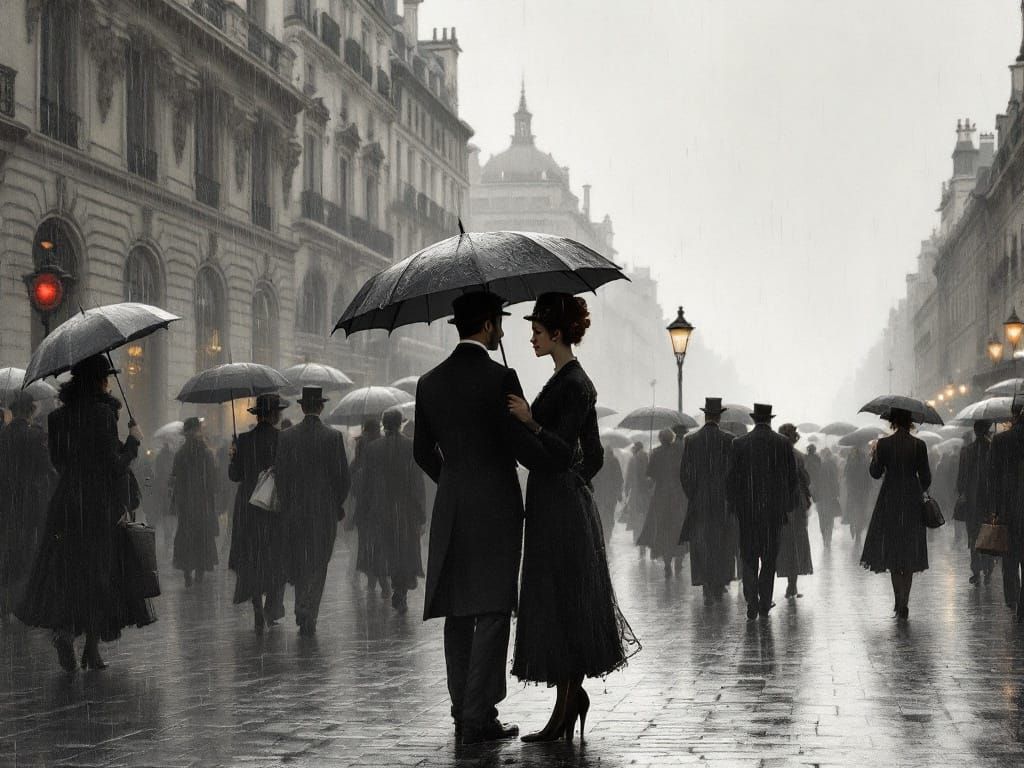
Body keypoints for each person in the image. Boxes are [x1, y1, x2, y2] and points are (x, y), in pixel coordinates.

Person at [507, 292, 639, 743]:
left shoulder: (572, 383)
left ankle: (564, 708)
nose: (531, 339)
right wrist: (574, 484)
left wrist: (530, 422)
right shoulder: (572, 379)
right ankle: (568, 701)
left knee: (559, 599)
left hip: (557, 509)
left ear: (557, 333)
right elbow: (595, 455)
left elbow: (563, 450)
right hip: (561, 503)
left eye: (538, 332)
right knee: (562, 598)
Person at [413, 291, 543, 746]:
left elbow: (421, 452)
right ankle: (477, 716)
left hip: (452, 507)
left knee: (458, 611)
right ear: (488, 325)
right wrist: (538, 432)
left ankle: (461, 710)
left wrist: (454, 478)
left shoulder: (428, 382)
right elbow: (522, 449)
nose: (504, 332)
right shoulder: (501, 376)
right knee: (492, 610)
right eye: (500, 324)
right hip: (496, 509)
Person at [17, 354, 154, 671]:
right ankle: (91, 649)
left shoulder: (57, 418)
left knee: (68, 572)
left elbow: (58, 462)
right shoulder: (103, 414)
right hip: (98, 507)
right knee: (99, 575)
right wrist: (132, 442)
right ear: (99, 381)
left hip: (66, 505)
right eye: (105, 378)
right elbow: (114, 466)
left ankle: (65, 631)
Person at [277, 387, 350, 636]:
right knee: (319, 562)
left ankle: (301, 604)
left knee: (300, 560)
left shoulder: (286, 438)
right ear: (320, 407)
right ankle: (309, 609)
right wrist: (336, 503)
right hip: (323, 512)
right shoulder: (333, 437)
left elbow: (281, 478)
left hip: (295, 511)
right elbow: (343, 478)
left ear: (302, 407)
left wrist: (287, 504)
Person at [726, 403, 798, 621]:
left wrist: (736, 505)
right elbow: (791, 479)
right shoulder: (782, 443)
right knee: (768, 558)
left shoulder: (739, 443)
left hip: (747, 512)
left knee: (748, 556)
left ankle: (751, 598)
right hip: (773, 513)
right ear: (769, 419)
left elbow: (731, 480)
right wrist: (785, 505)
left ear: (754, 419)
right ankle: (765, 601)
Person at [860, 408, 931, 619]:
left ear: (892, 422)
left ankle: (898, 600)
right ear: (910, 423)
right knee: (908, 551)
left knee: (893, 551)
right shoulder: (919, 445)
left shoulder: (883, 444)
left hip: (889, 500)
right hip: (911, 501)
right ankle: (905, 601)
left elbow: (875, 473)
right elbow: (926, 477)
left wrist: (875, 457)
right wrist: (914, 485)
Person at [228, 393, 288, 633]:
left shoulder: (243, 440)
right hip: (273, 507)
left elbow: (235, 476)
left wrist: (234, 457)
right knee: (275, 557)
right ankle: (272, 606)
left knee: (252, 557)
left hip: (248, 507)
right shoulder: (283, 439)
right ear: (274, 415)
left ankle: (256, 606)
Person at [356, 409, 426, 613]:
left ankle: (392, 584)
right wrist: (421, 510)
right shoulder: (411, 446)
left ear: (384, 425)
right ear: (400, 423)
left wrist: (364, 508)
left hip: (381, 508)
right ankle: (401, 590)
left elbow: (366, 483)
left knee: (386, 549)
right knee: (404, 550)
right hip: (405, 509)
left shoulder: (372, 448)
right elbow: (416, 480)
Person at [0, 392, 55, 618]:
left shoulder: (3, 436)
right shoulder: (35, 436)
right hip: (30, 503)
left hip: (6, 502)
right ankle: (22, 603)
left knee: (8, 549)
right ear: (31, 411)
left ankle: (5, 602)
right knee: (28, 551)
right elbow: (46, 468)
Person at [679, 397, 736, 606]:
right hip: (723, 502)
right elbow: (735, 473)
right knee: (722, 542)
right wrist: (729, 494)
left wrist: (694, 494)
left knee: (702, 543)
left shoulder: (692, 440)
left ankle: (705, 584)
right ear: (719, 416)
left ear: (705, 415)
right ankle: (719, 583)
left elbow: (684, 474)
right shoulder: (729, 440)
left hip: (700, 502)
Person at [170, 417, 219, 588]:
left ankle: (187, 572)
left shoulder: (180, 454)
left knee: (186, 537)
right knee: (202, 537)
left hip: (185, 503)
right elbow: (212, 480)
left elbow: (174, 477)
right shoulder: (205, 453)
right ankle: (199, 570)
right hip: (202, 502)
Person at [988, 400, 1024, 617]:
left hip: (1008, 506)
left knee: (1010, 556)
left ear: (1013, 415)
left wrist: (993, 508)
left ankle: (1012, 598)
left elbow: (992, 478)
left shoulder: (1001, 440)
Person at [638, 428, 687, 578]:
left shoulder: (656, 453)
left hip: (660, 497)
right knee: (678, 528)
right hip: (677, 496)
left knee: (662, 529)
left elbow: (650, 477)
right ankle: (679, 558)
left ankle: (667, 562)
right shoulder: (678, 452)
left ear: (660, 439)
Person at [775, 424, 813, 599]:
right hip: (796, 505)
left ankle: (786, 577)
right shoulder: (798, 456)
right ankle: (792, 584)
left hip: (780, 504)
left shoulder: (775, 456)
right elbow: (806, 480)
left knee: (783, 543)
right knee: (797, 543)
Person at [352, 417, 387, 595]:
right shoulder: (382, 444)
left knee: (367, 543)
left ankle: (373, 577)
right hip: (380, 504)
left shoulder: (361, 445)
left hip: (365, 505)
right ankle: (381, 578)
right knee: (380, 543)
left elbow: (353, 474)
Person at [957, 420, 994, 585]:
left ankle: (977, 569)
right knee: (986, 534)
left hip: (972, 502)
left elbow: (961, 479)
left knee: (973, 536)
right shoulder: (993, 448)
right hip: (987, 501)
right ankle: (986, 566)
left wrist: (962, 493)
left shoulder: (966, 451)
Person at [622, 442, 652, 555]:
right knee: (644, 517)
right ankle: (645, 541)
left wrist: (626, 490)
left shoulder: (633, 460)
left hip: (636, 494)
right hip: (646, 494)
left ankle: (639, 543)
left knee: (636, 517)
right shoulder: (648, 458)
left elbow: (628, 477)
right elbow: (652, 476)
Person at [592, 444, 624, 543]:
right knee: (609, 515)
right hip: (611, 496)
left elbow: (594, 478)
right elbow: (620, 479)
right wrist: (619, 494)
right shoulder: (615, 461)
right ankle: (608, 536)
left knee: (600, 514)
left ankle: (602, 535)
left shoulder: (599, 461)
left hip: (600, 495)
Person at [810, 446, 841, 548]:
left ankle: (825, 537)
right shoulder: (832, 465)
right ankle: (828, 537)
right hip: (829, 495)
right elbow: (835, 480)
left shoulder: (818, 465)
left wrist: (813, 494)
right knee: (829, 517)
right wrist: (836, 493)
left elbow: (814, 481)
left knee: (822, 517)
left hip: (820, 495)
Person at [843, 445, 871, 545]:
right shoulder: (866, 464)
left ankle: (852, 524)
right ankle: (858, 531)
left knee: (852, 509)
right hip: (863, 492)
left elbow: (846, 477)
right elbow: (868, 479)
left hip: (853, 491)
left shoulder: (850, 463)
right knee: (861, 512)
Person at [153, 442, 175, 554]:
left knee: (165, 514)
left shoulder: (160, 457)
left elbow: (157, 472)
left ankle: (167, 537)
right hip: (170, 489)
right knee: (169, 515)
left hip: (162, 488)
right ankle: (169, 537)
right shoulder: (172, 456)